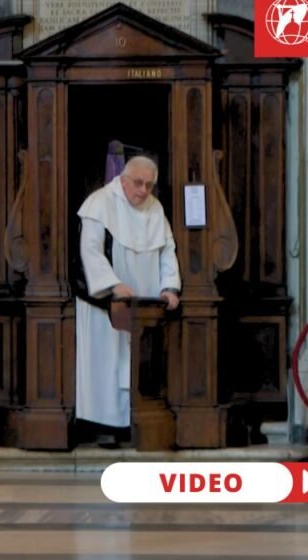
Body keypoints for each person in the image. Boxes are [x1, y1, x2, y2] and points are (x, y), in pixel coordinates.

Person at [75, 155, 181, 438]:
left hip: (145, 302)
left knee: (137, 363)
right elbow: (91, 251)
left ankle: (136, 424)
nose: (143, 191)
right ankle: (105, 428)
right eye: (138, 183)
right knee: (108, 364)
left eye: (149, 185)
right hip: (107, 304)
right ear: (123, 180)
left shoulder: (155, 209)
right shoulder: (100, 203)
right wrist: (113, 285)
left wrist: (169, 287)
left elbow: (167, 250)